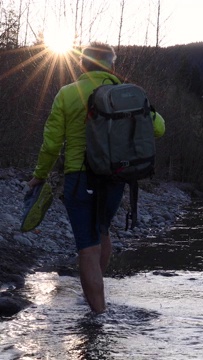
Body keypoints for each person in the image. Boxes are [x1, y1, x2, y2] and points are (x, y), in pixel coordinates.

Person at [28, 42, 166, 314]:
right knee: (102, 232)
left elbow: (52, 144)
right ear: (112, 66)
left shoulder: (67, 94)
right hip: (114, 179)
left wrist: (39, 176)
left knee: (87, 248)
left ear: (82, 65)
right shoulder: (127, 94)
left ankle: (98, 316)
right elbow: (159, 128)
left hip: (79, 180)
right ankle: (95, 294)